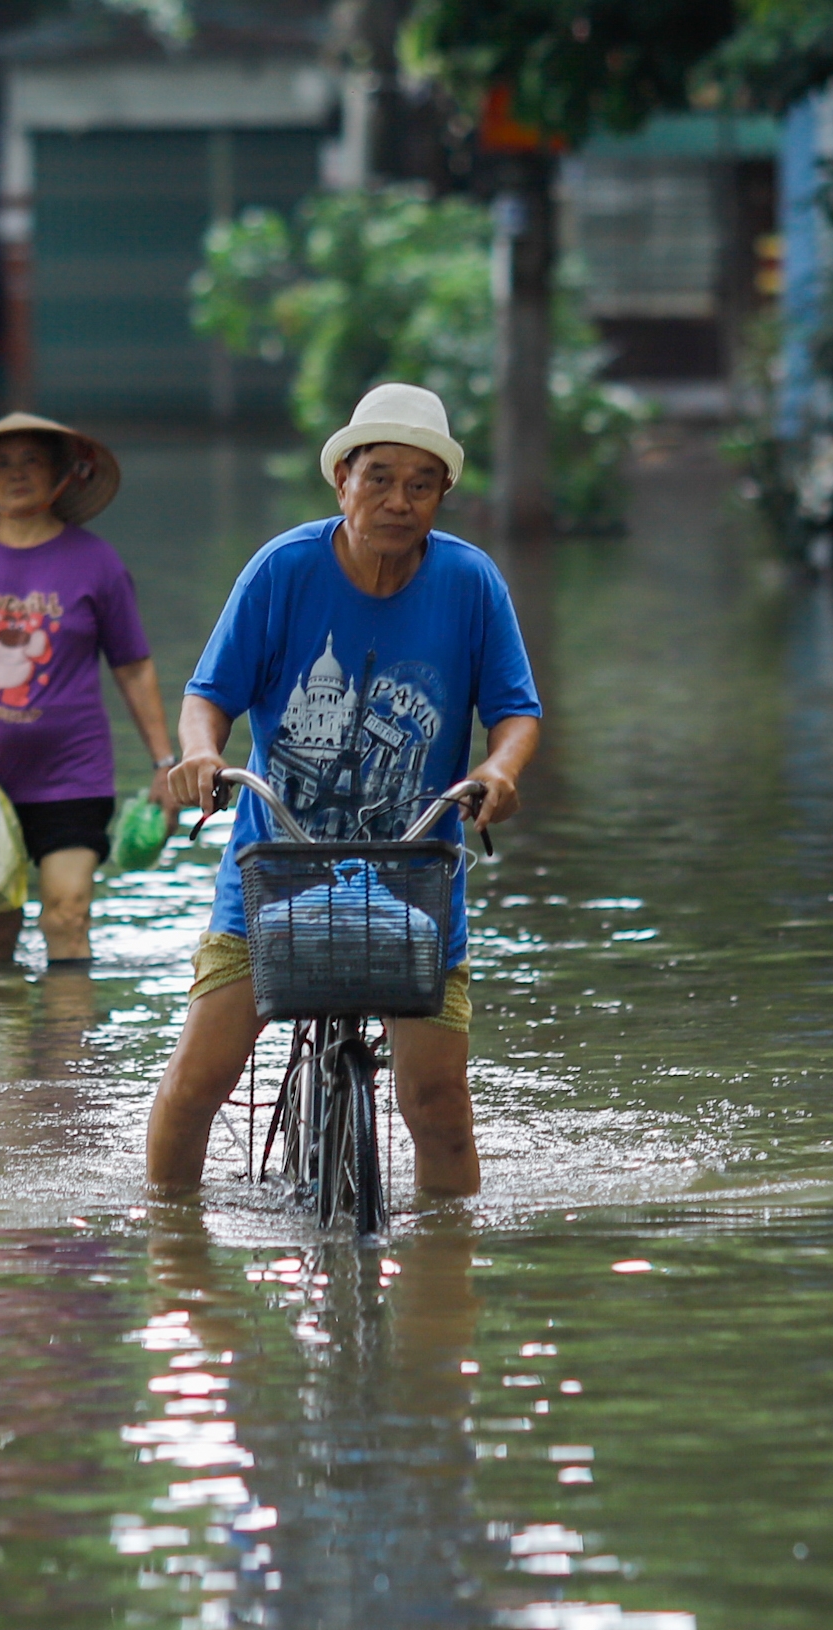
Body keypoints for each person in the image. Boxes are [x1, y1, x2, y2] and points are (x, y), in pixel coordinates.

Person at [148, 384, 542, 1197]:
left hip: (414, 874)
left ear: (441, 496)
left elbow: (516, 713)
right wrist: (198, 757)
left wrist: (499, 771)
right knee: (196, 1086)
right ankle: (174, 1258)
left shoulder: (472, 584)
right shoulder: (283, 570)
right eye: (379, 478)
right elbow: (208, 696)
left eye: (420, 484)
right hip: (275, 867)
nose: (398, 501)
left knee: (438, 1104)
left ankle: (444, 1290)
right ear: (342, 482)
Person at [0, 413, 177, 966]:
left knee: (68, 911)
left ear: (60, 473)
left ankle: (68, 1050)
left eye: (32, 459)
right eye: (2, 462)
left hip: (72, 773)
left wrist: (163, 763)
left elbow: (133, 667)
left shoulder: (96, 562)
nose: (17, 473)